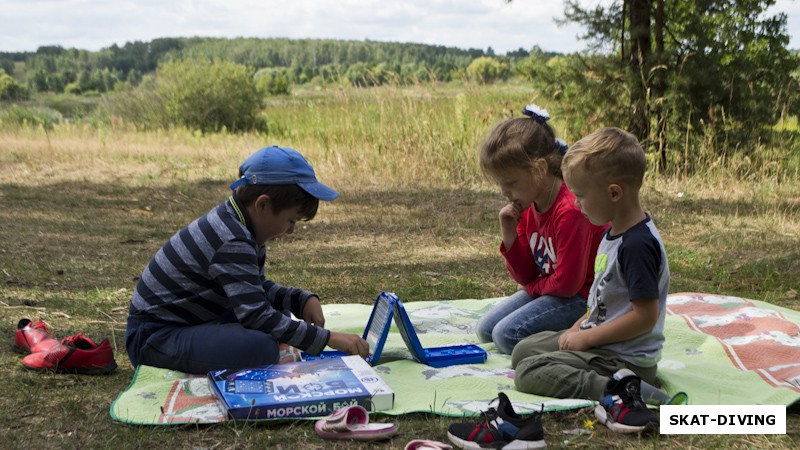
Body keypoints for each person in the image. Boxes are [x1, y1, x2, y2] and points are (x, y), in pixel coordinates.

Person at [125, 146, 369, 374]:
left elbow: (253, 286)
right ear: (263, 205)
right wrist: (329, 338)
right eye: (291, 221)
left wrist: (300, 300)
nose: (291, 231)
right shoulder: (232, 239)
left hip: (187, 321)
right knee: (262, 348)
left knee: (279, 314)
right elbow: (256, 314)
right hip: (154, 337)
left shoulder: (241, 223)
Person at [511, 127, 672, 433]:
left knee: (529, 371)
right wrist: (577, 328)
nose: (575, 203)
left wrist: (585, 339)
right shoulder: (613, 233)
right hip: (601, 342)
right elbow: (603, 300)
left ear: (614, 193)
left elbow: (645, 317)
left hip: (624, 358)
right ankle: (613, 380)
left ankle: (619, 389)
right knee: (522, 351)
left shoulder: (637, 246)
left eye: (581, 196)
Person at [475, 104, 608, 355]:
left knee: (505, 335)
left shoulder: (569, 210)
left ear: (540, 169)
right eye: (501, 184)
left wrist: (533, 288)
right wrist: (509, 234)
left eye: (511, 183)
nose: (505, 192)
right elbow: (526, 277)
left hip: (583, 299)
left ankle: (583, 337)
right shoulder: (527, 205)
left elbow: (568, 285)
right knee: (485, 329)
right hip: (553, 290)